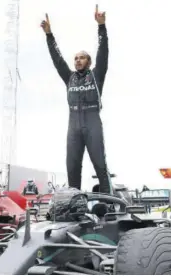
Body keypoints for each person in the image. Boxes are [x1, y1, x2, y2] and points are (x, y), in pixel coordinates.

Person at [41, 5, 111, 194]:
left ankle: (109, 204)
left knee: (99, 164)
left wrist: (101, 27)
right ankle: (74, 205)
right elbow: (57, 59)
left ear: (88, 62)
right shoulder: (69, 77)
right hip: (73, 126)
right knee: (72, 167)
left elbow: (103, 53)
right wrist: (49, 35)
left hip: (92, 122)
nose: (78, 60)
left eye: (82, 58)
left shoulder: (96, 75)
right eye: (76, 58)